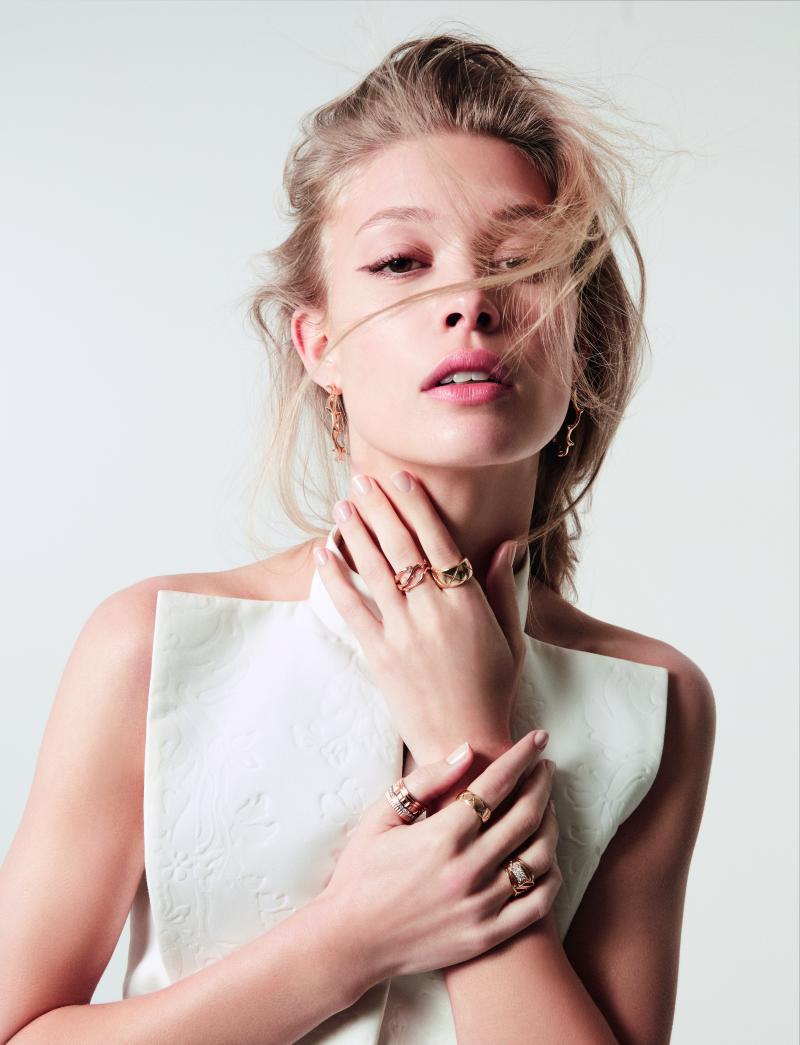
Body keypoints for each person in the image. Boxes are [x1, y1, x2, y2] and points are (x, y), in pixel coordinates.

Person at [0, 31, 716, 1045]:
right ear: (319, 341)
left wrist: (465, 739)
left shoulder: (651, 699)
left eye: (520, 261)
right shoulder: (151, 647)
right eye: (399, 262)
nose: (468, 302)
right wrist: (347, 941)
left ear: (581, 335)